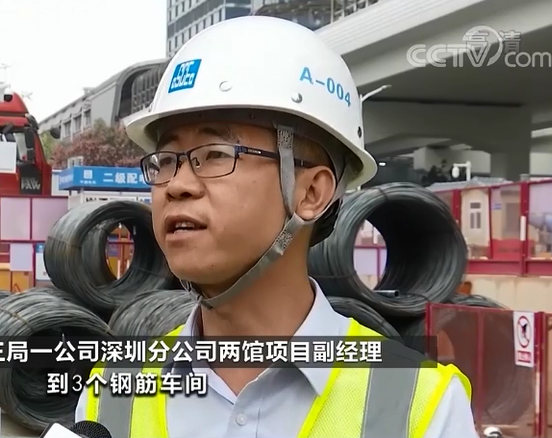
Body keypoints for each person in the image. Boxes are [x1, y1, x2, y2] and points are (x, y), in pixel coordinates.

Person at [73, 16, 476, 438]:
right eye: (167, 160)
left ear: (311, 193)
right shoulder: (111, 393)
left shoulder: (420, 407)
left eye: (215, 154)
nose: (176, 185)